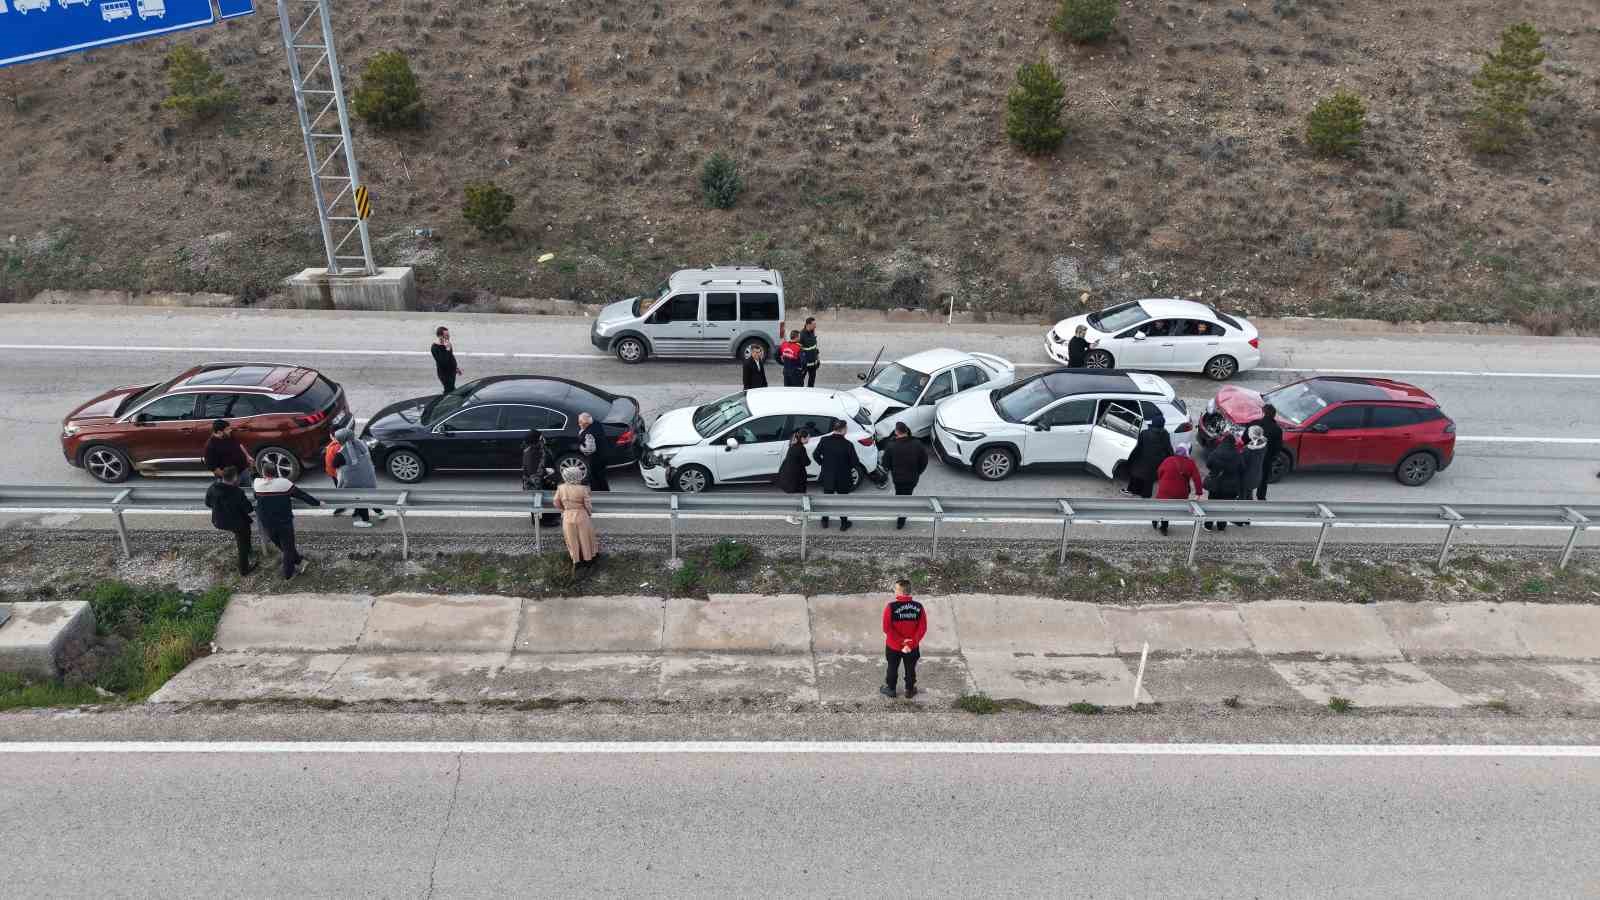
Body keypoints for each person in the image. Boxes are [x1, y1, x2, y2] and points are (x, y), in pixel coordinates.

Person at [252, 462, 322, 579]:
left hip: (267, 523)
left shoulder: (257, 484)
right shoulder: (284, 484)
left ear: (263, 473)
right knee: (288, 548)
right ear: (276, 472)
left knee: (283, 546)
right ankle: (288, 575)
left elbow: (255, 496)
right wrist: (317, 503)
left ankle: (299, 561)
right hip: (284, 522)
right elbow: (302, 495)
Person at [205, 466, 257, 576]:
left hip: (218, 521)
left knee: (243, 536)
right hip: (237, 523)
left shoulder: (213, 487)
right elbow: (248, 509)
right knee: (242, 542)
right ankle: (244, 569)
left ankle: (249, 551)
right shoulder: (237, 492)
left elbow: (208, 503)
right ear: (234, 479)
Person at [881, 578, 927, 699]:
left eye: (895, 589)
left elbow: (887, 629)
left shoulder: (891, 607)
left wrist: (901, 642)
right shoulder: (919, 607)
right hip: (912, 647)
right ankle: (909, 690)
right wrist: (910, 644)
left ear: (901, 591)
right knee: (910, 669)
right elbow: (922, 629)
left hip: (893, 646)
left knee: (892, 667)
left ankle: (891, 689)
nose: (894, 591)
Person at [329, 426, 383, 528]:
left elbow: (334, 465)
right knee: (369, 496)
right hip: (369, 478)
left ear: (341, 439)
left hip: (354, 481)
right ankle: (381, 513)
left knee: (359, 499)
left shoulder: (341, 454)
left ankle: (365, 521)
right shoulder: (361, 444)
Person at [881, 421, 928, 530]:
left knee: (899, 496)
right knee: (908, 496)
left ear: (897, 432)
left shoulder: (891, 445)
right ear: (907, 430)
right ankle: (902, 519)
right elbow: (924, 461)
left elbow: (885, 464)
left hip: (898, 479)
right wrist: (918, 472)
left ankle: (900, 519)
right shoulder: (917, 444)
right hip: (912, 478)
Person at [813, 418, 858, 531]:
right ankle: (843, 523)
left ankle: (825, 521)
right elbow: (855, 463)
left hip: (828, 476)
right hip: (843, 478)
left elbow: (815, 455)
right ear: (843, 430)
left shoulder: (824, 440)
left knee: (827, 500)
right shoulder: (848, 444)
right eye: (846, 428)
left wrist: (824, 464)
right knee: (842, 502)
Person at [553, 465, 598, 572]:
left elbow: (556, 502)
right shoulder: (583, 489)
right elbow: (588, 505)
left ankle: (576, 560)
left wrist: (563, 510)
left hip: (568, 516)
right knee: (585, 538)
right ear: (579, 476)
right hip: (581, 516)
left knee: (571, 539)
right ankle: (588, 559)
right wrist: (589, 513)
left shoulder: (561, 488)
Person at [1152, 445, 1204, 536]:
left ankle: (1158, 522)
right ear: (1187, 453)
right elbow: (1197, 478)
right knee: (1172, 506)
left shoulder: (1168, 460)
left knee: (1162, 506)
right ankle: (1164, 525)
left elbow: (1159, 471)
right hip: (1181, 493)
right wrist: (1199, 492)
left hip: (1165, 490)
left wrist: (1162, 481)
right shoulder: (1190, 463)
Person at [1203, 436, 1245, 532]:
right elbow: (1242, 468)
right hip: (1230, 487)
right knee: (1225, 507)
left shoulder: (1216, 452)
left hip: (1215, 485)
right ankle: (1221, 526)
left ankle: (1208, 525)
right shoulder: (1237, 454)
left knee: (1212, 506)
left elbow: (1208, 464)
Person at [1123, 415, 1172, 498]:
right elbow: (1168, 449)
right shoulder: (1165, 434)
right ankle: (1146, 496)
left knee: (1137, 474)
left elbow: (1138, 448)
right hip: (1156, 463)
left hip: (1142, 460)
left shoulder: (1144, 433)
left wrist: (1130, 460)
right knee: (1149, 479)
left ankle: (1132, 491)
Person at [521, 428, 560, 529]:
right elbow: (533, 472)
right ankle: (542, 521)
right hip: (537, 483)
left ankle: (549, 517)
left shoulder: (535, 449)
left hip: (542, 480)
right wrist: (547, 473)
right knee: (540, 499)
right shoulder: (532, 452)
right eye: (541, 436)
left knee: (545, 499)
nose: (543, 438)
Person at [776, 429, 811, 526]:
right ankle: (791, 517)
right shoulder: (800, 448)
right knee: (797, 496)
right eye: (808, 437)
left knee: (795, 495)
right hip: (796, 477)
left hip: (789, 475)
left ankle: (794, 515)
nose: (809, 439)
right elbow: (806, 462)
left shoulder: (793, 445)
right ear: (803, 438)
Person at [1250, 404, 1284, 500]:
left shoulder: (1254, 424)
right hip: (1266, 458)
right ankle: (1261, 497)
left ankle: (1247, 496)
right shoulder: (1277, 430)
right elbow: (1278, 448)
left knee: (1249, 475)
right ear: (1274, 415)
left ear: (1263, 413)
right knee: (1263, 479)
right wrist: (1271, 458)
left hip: (1252, 456)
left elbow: (1244, 438)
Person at [1238, 425, 1268, 525]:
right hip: (1256, 475)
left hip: (1246, 476)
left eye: (1250, 432)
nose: (1248, 433)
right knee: (1249, 496)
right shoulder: (1263, 444)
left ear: (1253, 435)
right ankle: (1248, 519)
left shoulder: (1249, 449)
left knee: (1242, 498)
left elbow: (1242, 463)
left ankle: (1240, 520)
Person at [576, 412, 610, 492]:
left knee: (595, 478)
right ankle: (605, 493)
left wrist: (580, 447)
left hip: (595, 460)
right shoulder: (596, 423)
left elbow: (590, 449)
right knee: (601, 477)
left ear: (586, 423)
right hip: (602, 455)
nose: (579, 424)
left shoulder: (589, 434)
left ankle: (597, 494)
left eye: (580, 422)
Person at [432, 326, 461, 393]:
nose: (449, 337)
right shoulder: (435, 347)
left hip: (452, 372)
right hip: (445, 374)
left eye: (449, 335)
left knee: (451, 390)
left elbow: (451, 356)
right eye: (446, 335)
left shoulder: (448, 343)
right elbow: (443, 362)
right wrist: (447, 349)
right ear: (440, 336)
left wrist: (456, 368)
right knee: (449, 391)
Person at [798, 317, 820, 388]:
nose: (815, 326)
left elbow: (814, 347)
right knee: (800, 382)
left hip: (813, 364)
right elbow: (798, 351)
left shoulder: (812, 332)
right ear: (808, 324)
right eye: (814, 324)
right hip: (805, 365)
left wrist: (817, 359)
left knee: (811, 383)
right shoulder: (801, 335)